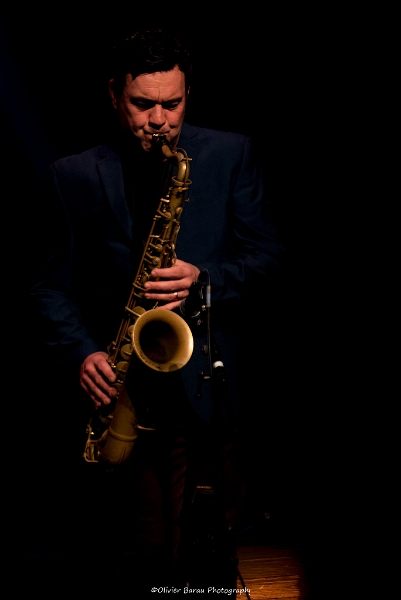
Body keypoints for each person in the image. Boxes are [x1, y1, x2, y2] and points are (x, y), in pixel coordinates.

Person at [29, 27, 283, 597]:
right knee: (140, 559)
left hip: (208, 389)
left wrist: (204, 279)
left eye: (173, 103)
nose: (160, 120)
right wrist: (83, 353)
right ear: (114, 95)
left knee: (208, 556)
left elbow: (269, 258)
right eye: (143, 104)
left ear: (188, 94)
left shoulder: (230, 154)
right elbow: (49, 287)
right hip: (126, 390)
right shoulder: (71, 175)